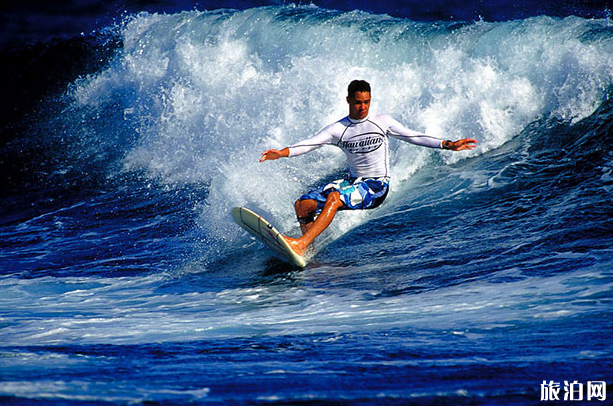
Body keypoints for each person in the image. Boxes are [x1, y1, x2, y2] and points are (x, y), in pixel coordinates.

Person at [260, 80, 477, 256]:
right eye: (357, 102)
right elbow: (309, 143)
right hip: (353, 181)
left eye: (366, 102)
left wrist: (447, 144)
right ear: (348, 100)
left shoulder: (382, 122)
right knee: (302, 205)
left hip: (376, 186)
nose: (362, 107)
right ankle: (307, 251)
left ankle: (301, 243)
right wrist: (282, 152)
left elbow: (413, 136)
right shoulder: (339, 129)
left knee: (334, 198)